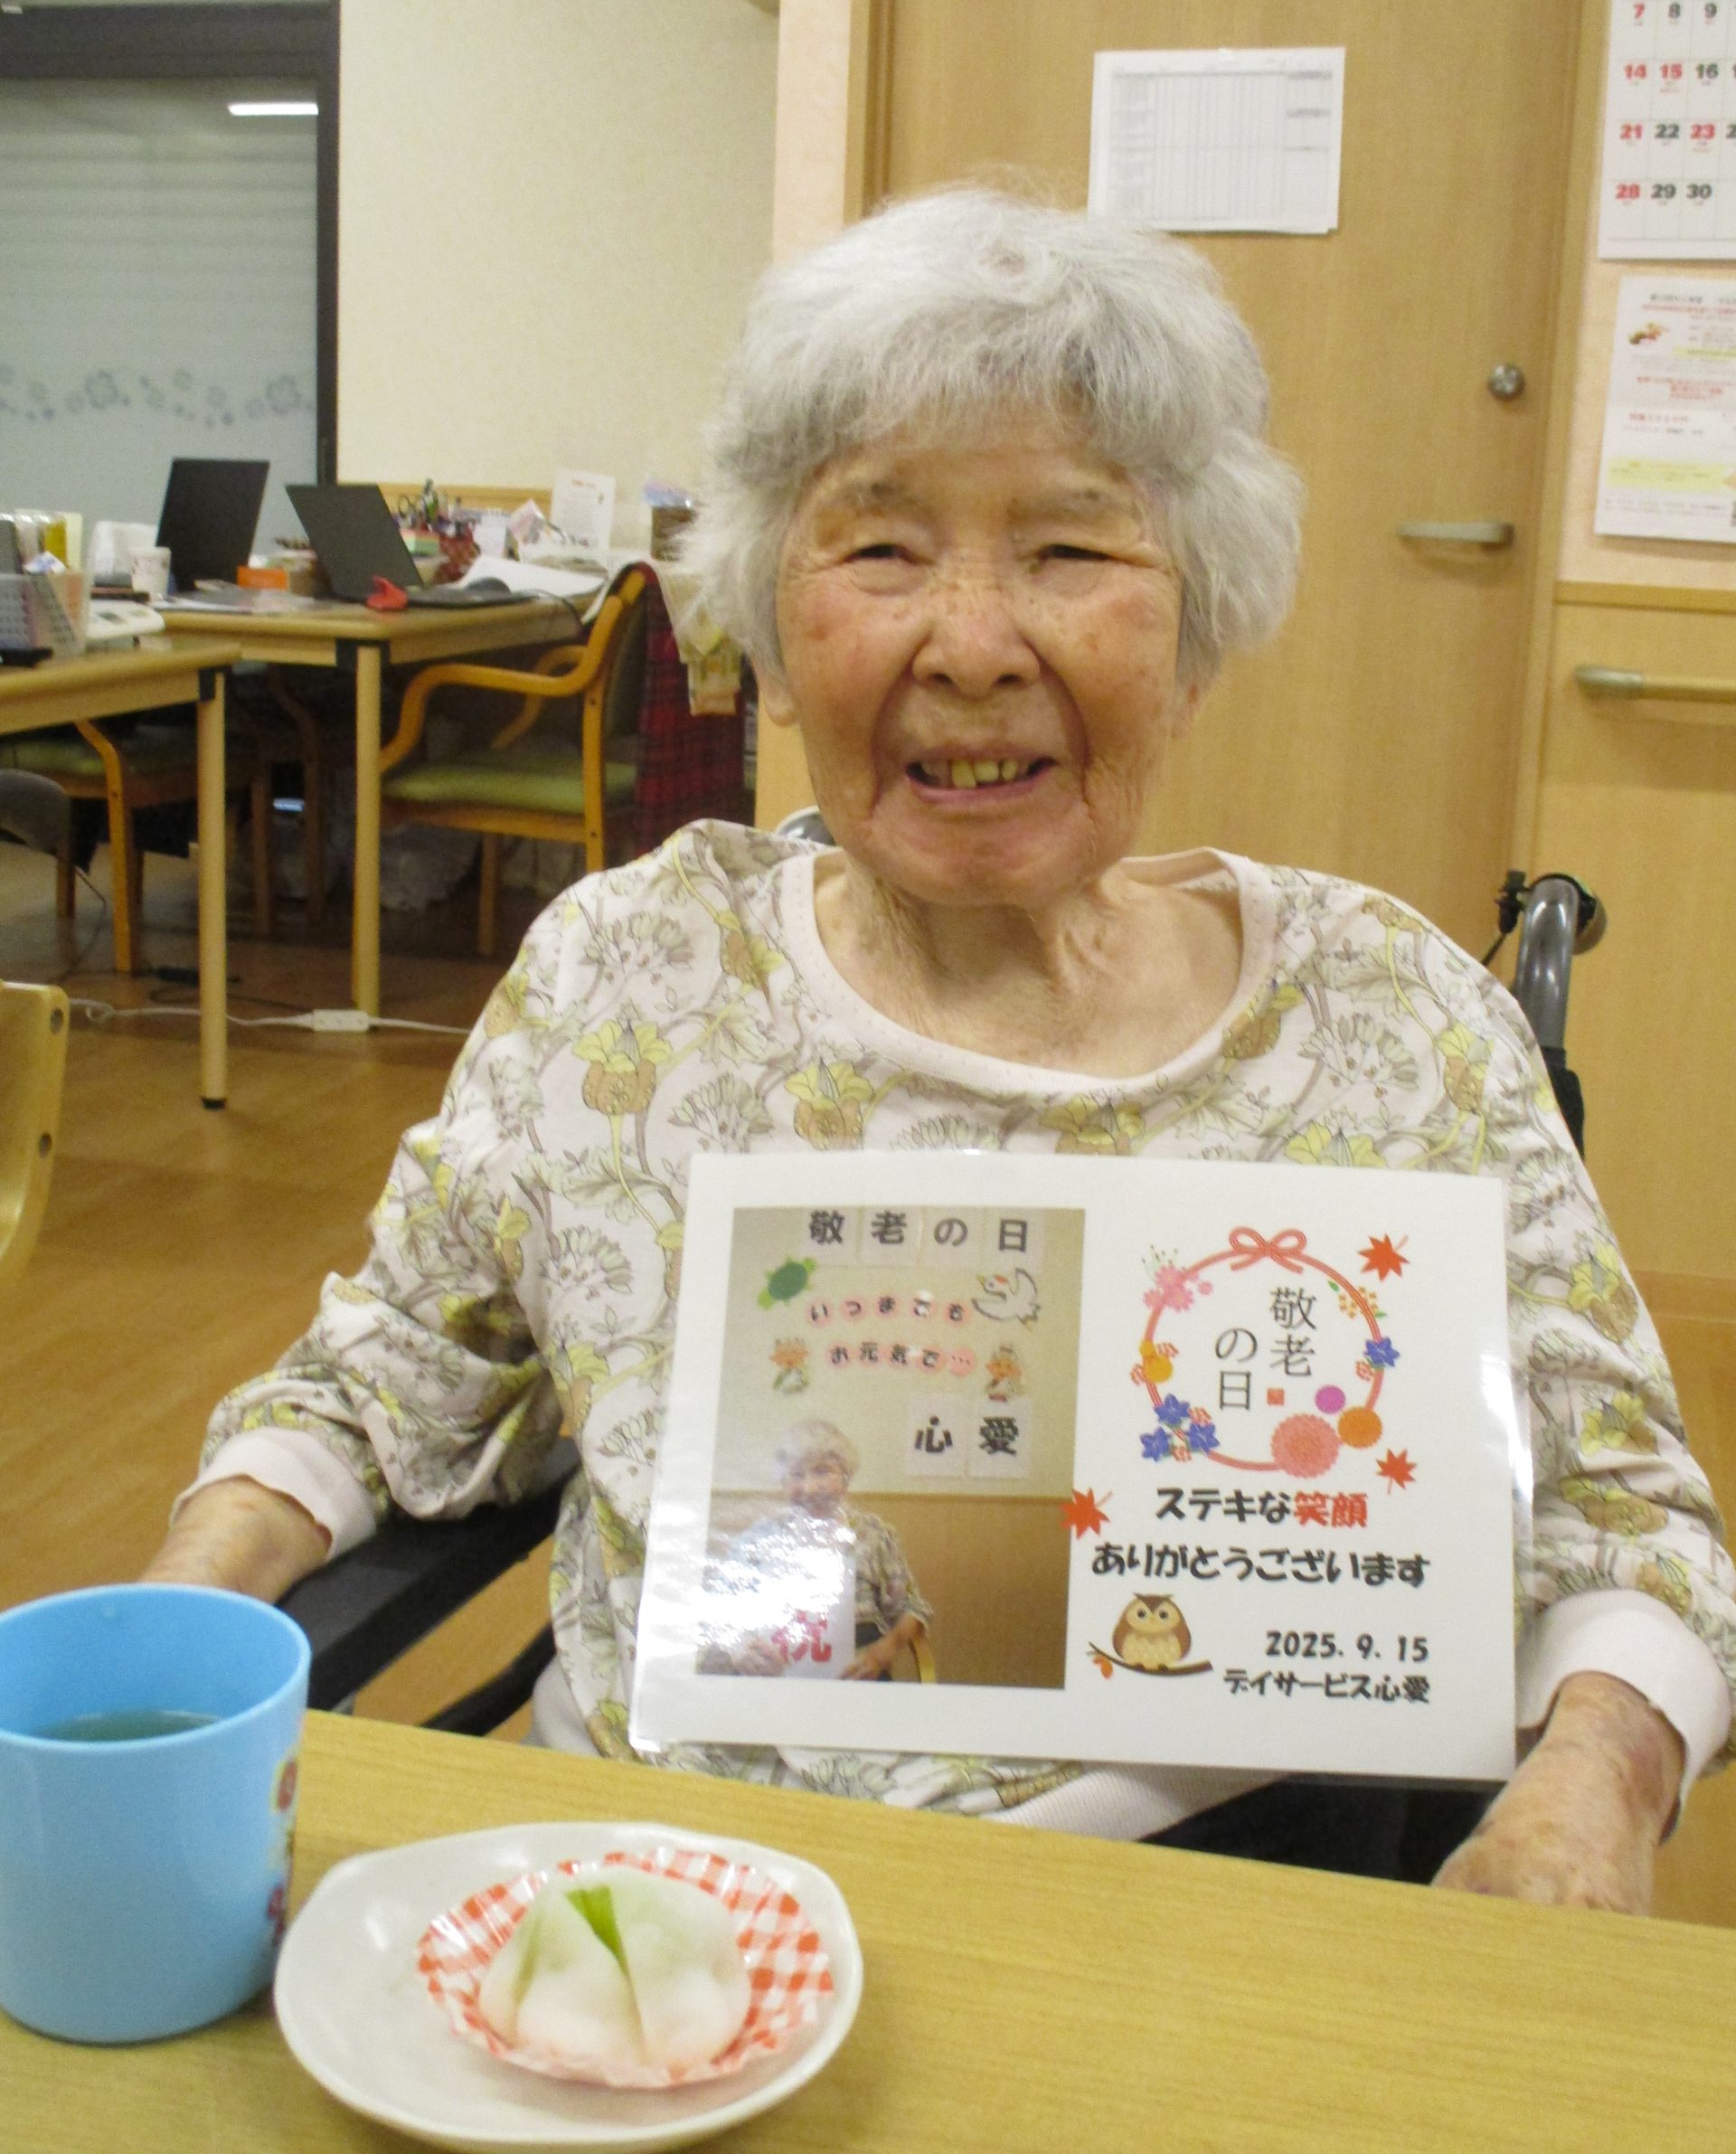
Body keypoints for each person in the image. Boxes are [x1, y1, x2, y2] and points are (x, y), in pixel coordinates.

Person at [147, 188, 1735, 1906]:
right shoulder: (632, 979)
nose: (973, 648)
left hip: (1180, 1908)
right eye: (882, 552)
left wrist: (1593, 1787)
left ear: (1196, 634)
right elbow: (381, 1384)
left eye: (1071, 553)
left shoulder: (1391, 1015)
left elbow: (1630, 1524)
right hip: (645, 1878)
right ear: (771, 629)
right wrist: (173, 1617)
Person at [704, 1419, 931, 1682]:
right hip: (772, 1681)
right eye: (796, 1475)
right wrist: (738, 1648)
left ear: (846, 1478)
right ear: (783, 1482)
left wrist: (884, 1652)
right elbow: (717, 1609)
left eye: (822, 1472)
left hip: (855, 1681)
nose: (810, 1488)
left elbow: (913, 1608)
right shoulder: (758, 1539)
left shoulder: (873, 1535)